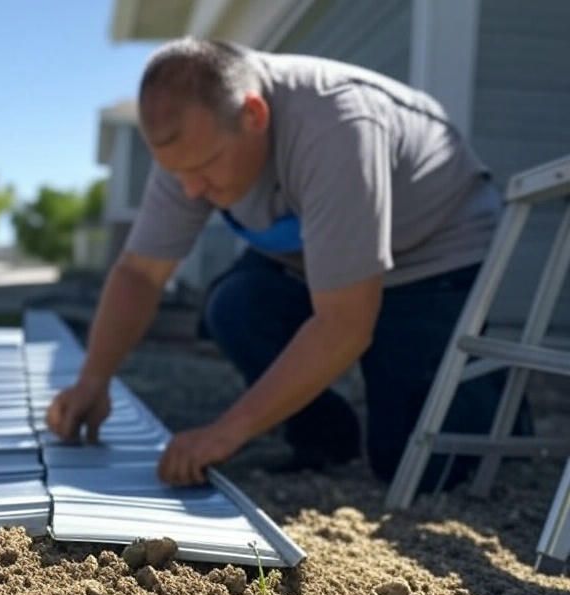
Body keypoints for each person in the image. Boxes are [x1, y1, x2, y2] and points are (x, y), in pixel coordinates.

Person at [46, 38, 523, 490]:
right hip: (314, 262)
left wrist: (227, 432)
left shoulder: (336, 126)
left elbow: (345, 324)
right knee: (235, 307)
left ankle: (496, 406)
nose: (191, 191)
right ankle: (326, 435)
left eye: (205, 167)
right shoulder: (193, 146)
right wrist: (93, 379)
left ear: (254, 115)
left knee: (422, 470)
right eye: (178, 173)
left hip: (430, 253)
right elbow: (139, 274)